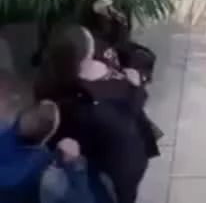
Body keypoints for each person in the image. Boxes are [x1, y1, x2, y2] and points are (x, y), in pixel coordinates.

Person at [35, 25, 160, 203]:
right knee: (121, 190)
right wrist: (135, 87)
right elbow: (126, 120)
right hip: (117, 155)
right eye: (91, 44)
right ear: (85, 57)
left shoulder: (48, 78)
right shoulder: (88, 105)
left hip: (87, 148)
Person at [0, 101, 110, 203]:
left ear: (18, 117)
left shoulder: (3, 126)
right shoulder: (47, 177)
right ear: (47, 137)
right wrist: (74, 165)